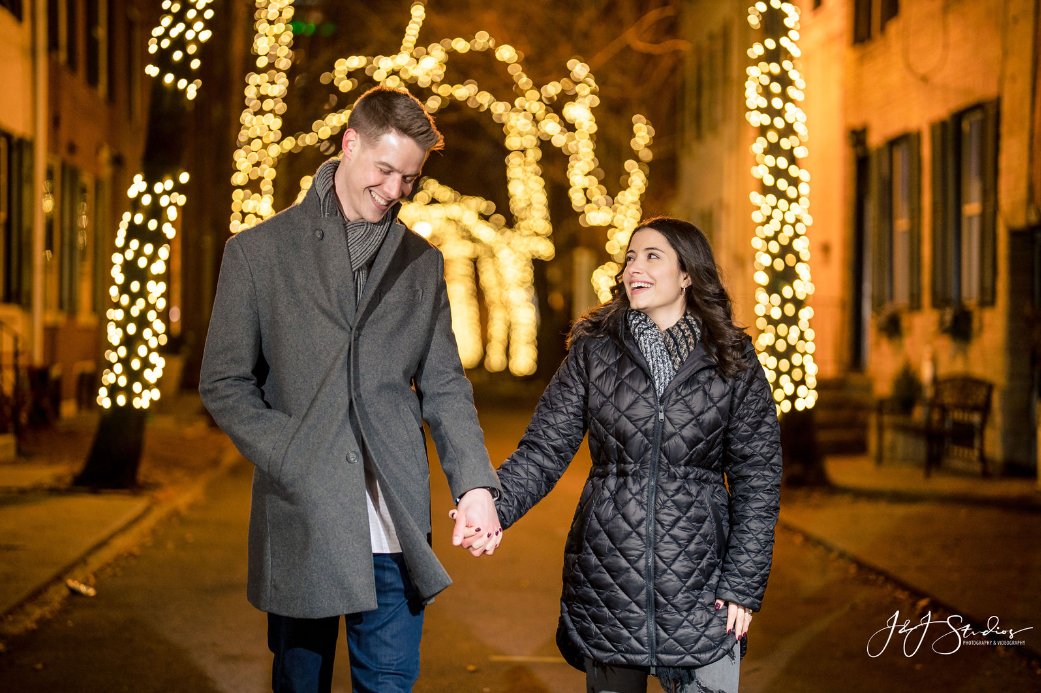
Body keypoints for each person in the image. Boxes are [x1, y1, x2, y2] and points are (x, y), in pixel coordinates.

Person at [199, 86, 502, 693]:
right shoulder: (258, 253)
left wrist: (474, 485)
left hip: (396, 524)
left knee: (389, 683)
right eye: (385, 170)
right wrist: (290, 453)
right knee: (300, 681)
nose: (395, 191)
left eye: (409, 179)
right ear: (349, 144)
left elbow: (444, 386)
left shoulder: (421, 263)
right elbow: (225, 383)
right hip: (303, 516)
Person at [463, 217, 782, 692]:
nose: (635, 266)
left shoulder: (732, 361)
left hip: (702, 585)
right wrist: (493, 507)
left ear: (688, 274)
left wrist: (741, 584)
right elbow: (544, 449)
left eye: (653, 256)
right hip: (609, 579)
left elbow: (759, 479)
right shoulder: (595, 353)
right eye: (631, 257)